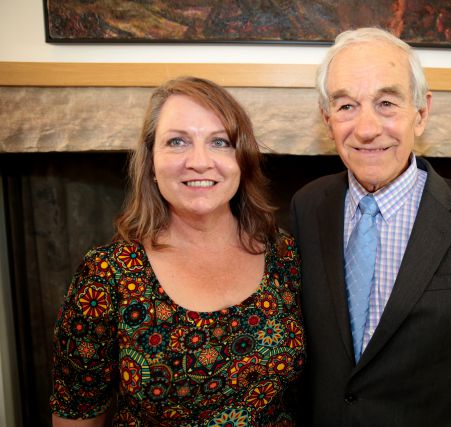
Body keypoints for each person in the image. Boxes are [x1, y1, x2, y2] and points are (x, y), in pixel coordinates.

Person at [290, 27, 451, 426]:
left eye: (386, 103)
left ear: (421, 113)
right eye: (346, 106)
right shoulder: (307, 206)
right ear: (327, 119)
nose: (366, 129)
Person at [50, 76, 305, 426]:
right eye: (177, 142)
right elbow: (77, 415)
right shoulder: (106, 275)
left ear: (242, 161)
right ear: (151, 163)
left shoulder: (284, 254)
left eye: (219, 142)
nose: (199, 162)